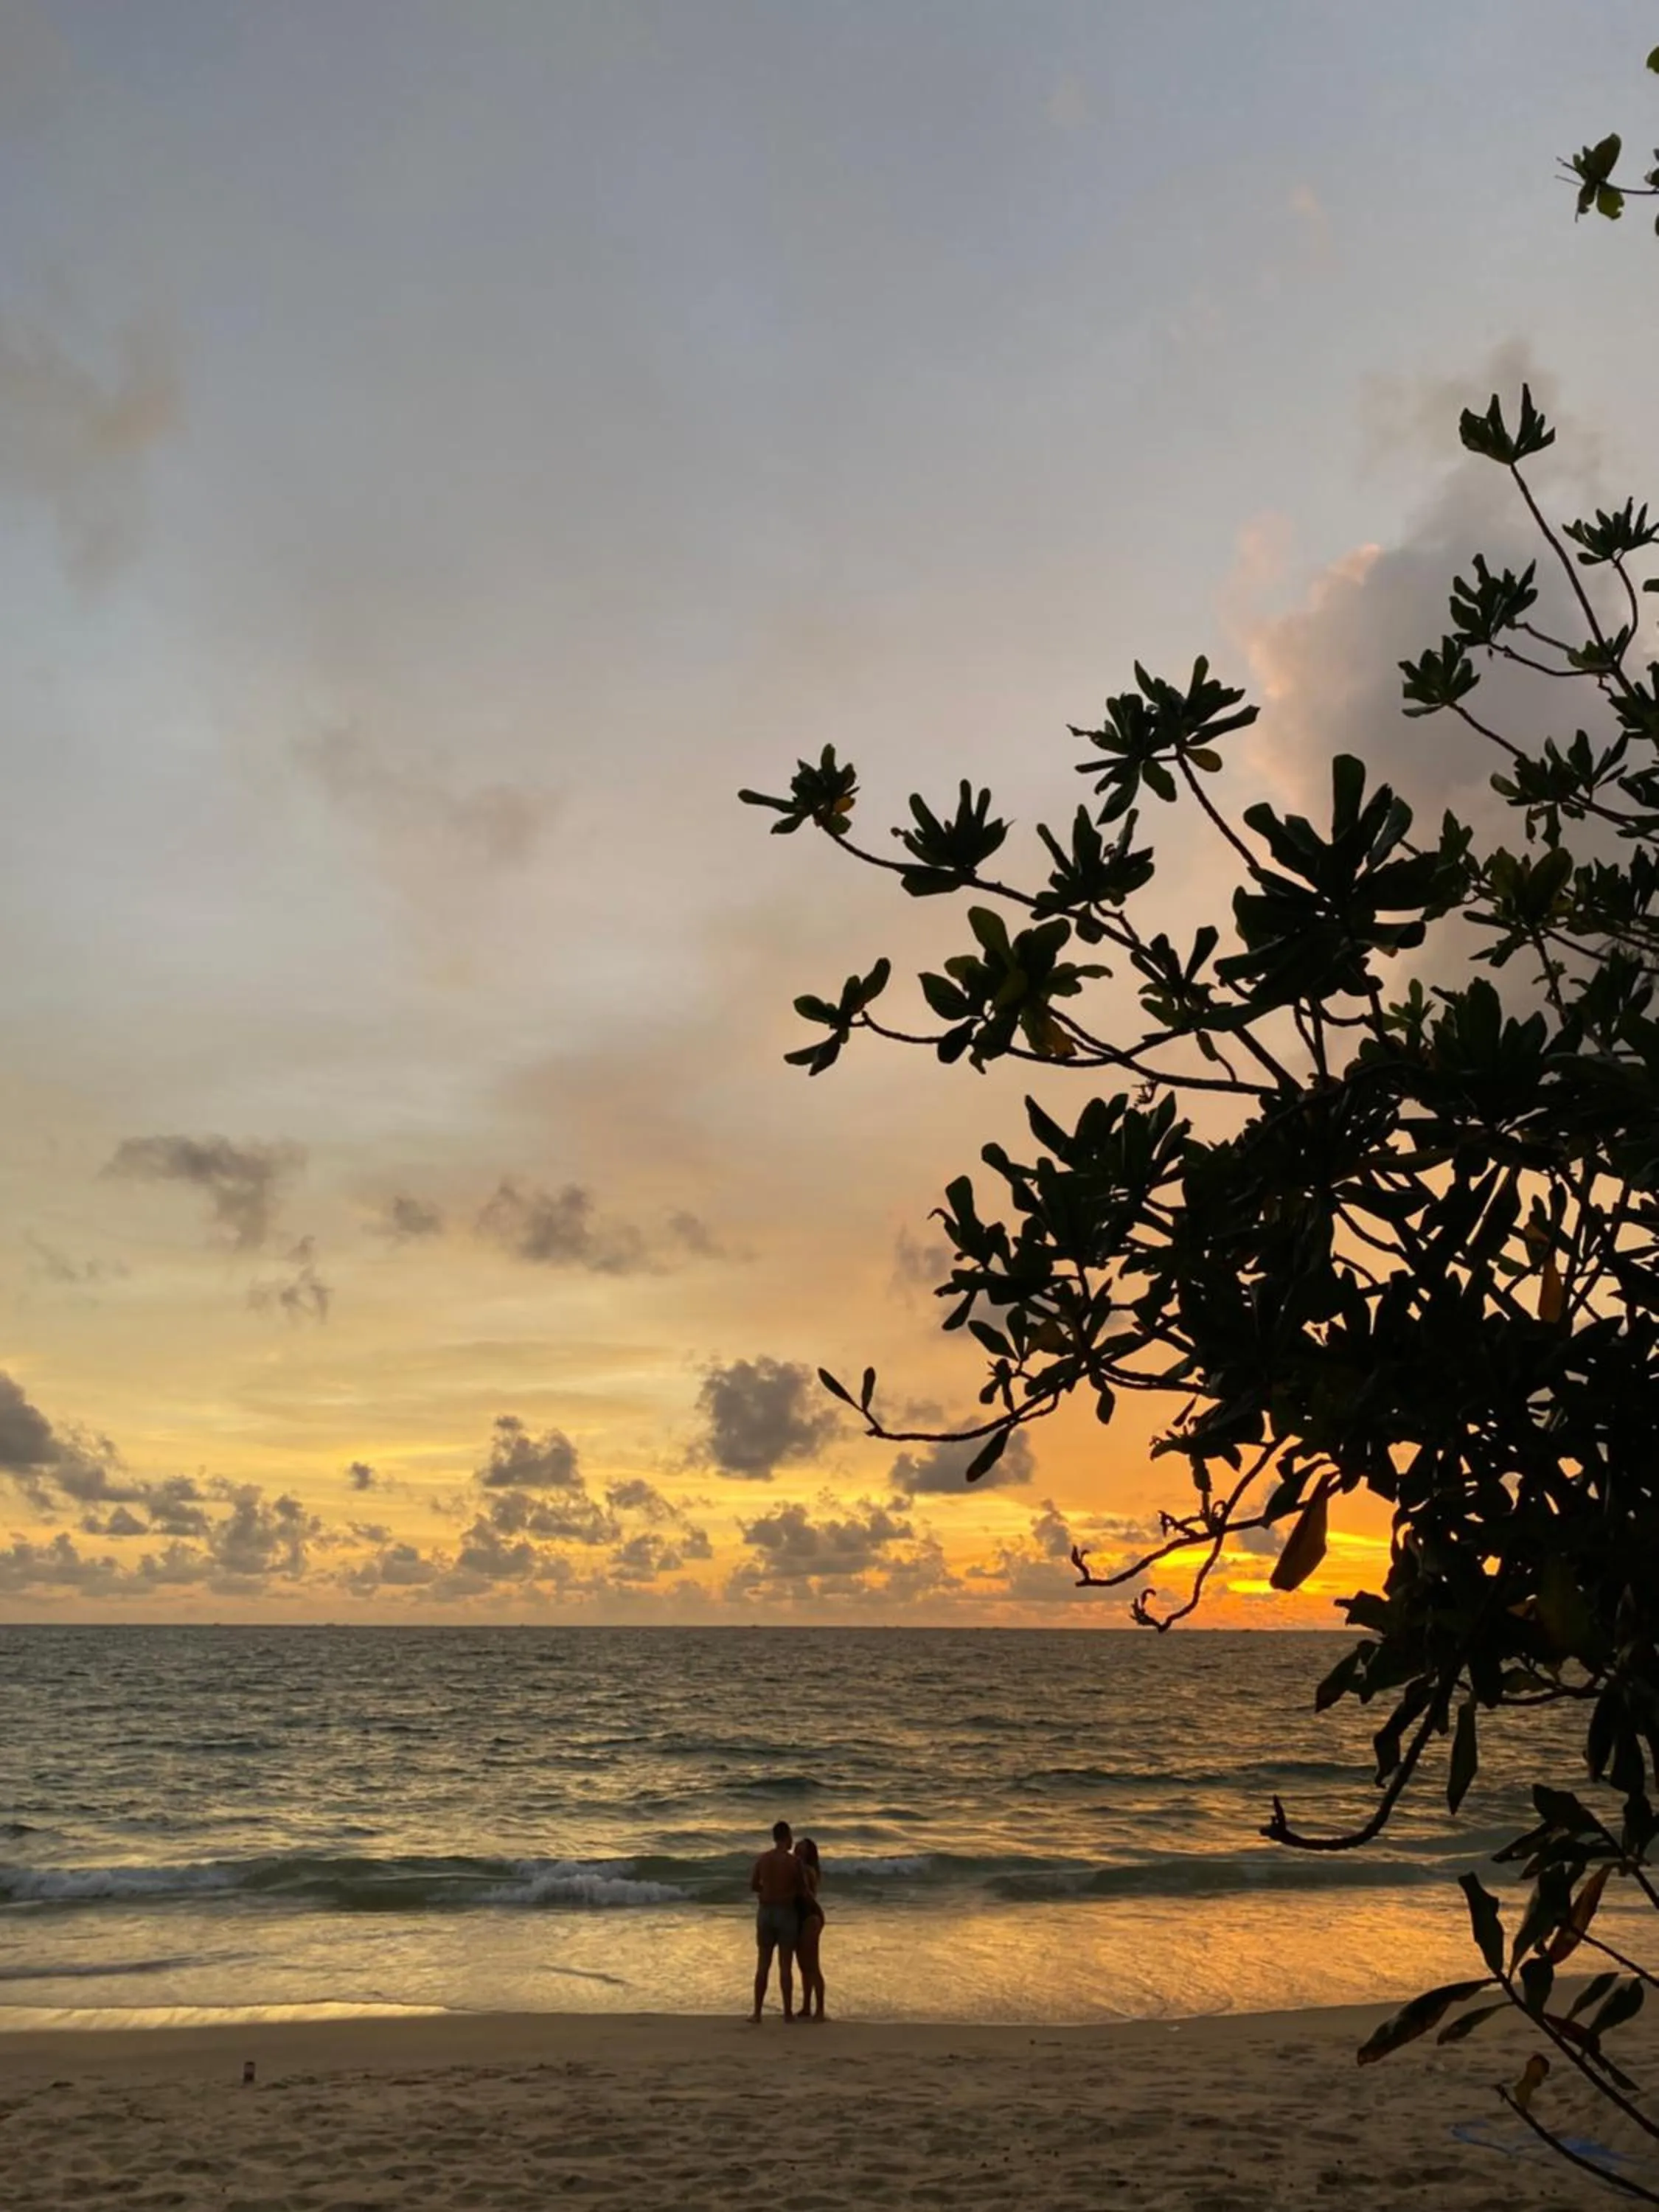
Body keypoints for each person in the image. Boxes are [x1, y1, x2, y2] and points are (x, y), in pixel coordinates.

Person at [748, 1818, 805, 2023]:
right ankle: (788, 2013)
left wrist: (768, 1890)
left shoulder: (763, 1859)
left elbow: (754, 1885)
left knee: (763, 1964)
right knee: (785, 1965)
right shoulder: (794, 1862)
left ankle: (757, 2013)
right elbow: (802, 1889)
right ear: (787, 1837)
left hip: (765, 1912)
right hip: (785, 1912)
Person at [794, 1835, 825, 2023]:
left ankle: (820, 2009)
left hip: (810, 1917)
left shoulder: (807, 1870)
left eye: (802, 1847)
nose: (797, 1848)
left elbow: (806, 1894)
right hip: (801, 1917)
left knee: (812, 1965)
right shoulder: (799, 1868)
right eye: (797, 1846)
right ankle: (806, 2006)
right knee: (804, 1966)